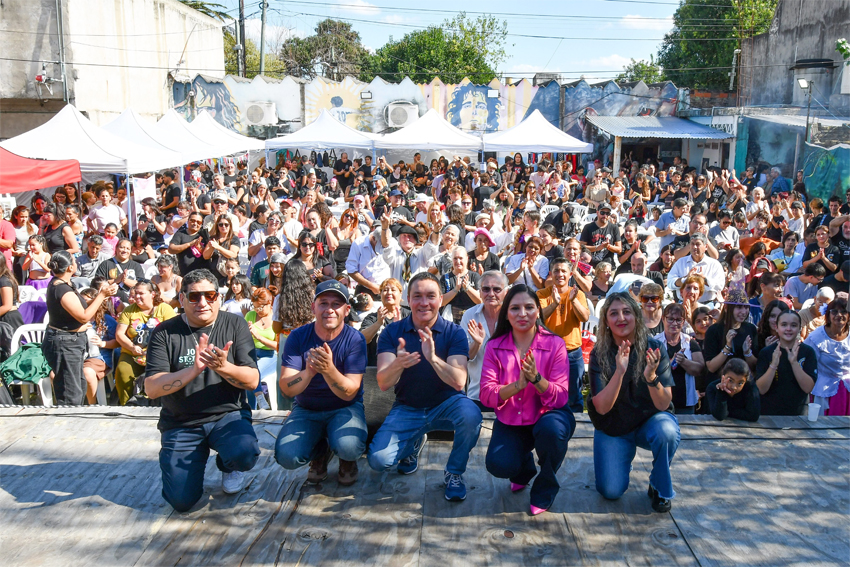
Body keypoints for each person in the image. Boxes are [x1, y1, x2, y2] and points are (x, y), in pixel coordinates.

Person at [144, 269, 261, 512]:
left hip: (227, 414)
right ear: (182, 299)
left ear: (219, 297)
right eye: (194, 296)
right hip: (181, 422)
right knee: (181, 502)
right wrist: (193, 370)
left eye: (210, 295)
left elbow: (252, 381)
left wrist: (223, 367)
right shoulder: (164, 332)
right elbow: (152, 389)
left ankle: (228, 465)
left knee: (244, 453)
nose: (203, 302)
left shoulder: (235, 324)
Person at [368, 272, 482, 502]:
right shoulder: (392, 332)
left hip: (447, 404)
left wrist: (433, 358)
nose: (424, 303)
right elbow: (383, 383)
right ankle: (414, 443)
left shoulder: (454, 332)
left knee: (472, 415)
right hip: (408, 407)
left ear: (440, 299)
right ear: (408, 299)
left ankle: (454, 472)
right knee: (379, 460)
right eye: (417, 296)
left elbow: (459, 381)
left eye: (430, 296)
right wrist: (399, 364)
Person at [479, 284, 575, 516]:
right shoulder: (494, 346)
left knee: (552, 432)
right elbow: (486, 395)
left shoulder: (555, 344)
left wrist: (537, 380)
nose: (522, 314)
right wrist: (517, 386)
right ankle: (524, 470)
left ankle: (545, 487)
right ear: (506, 313)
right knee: (499, 465)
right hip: (512, 420)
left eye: (529, 307)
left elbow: (561, 397)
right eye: (515, 308)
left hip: (550, 415)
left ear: (538, 311)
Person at [586, 293, 679, 513]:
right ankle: (621, 458)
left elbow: (664, 404)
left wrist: (651, 378)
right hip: (614, 426)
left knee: (667, 431)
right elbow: (602, 407)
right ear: (606, 321)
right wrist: (619, 371)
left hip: (649, 422)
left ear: (636, 316)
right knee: (610, 491)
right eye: (614, 313)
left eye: (627, 312)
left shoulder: (654, 348)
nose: (621, 318)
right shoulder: (599, 353)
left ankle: (658, 484)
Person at [276, 280, 367, 485]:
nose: (329, 309)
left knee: (349, 447)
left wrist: (328, 370)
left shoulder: (355, 339)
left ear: (347, 310)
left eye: (336, 304)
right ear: (313, 307)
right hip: (306, 408)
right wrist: (308, 373)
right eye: (323, 303)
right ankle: (319, 451)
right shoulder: (297, 336)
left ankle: (346, 459)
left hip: (345, 407)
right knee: (287, 456)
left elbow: (350, 392)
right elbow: (286, 388)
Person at [43, 251, 118, 405]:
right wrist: (101, 295)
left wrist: (103, 295)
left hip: (71, 343)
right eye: (74, 260)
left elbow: (78, 307)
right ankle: (69, 418)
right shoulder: (61, 289)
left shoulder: (65, 284)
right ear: (70, 267)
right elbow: (83, 316)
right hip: (65, 343)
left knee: (78, 386)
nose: (77, 262)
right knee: (70, 392)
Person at [114, 282, 177, 405]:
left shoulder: (165, 309)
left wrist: (155, 350)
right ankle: (127, 405)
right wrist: (132, 347)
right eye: (135, 293)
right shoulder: (129, 310)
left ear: (152, 294)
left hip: (159, 353)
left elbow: (173, 333)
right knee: (123, 372)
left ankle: (156, 404)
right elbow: (119, 334)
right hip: (133, 353)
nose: (136, 297)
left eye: (141, 293)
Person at [461, 271, 508, 411]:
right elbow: (464, 358)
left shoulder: (512, 316)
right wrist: (477, 343)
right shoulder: (469, 315)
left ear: (506, 292)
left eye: (497, 289)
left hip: (509, 395)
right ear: (480, 292)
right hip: (478, 394)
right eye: (486, 289)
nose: (491, 294)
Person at [755, 310, 817, 416]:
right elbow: (761, 389)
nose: (788, 329)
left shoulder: (808, 352)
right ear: (776, 327)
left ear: (799, 328)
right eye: (784, 325)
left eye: (793, 325)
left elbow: (808, 388)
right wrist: (773, 365)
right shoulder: (767, 352)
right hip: (769, 413)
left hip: (798, 414)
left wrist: (794, 363)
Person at [654, 303, 705, 414]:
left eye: (678, 320)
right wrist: (668, 364)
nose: (674, 323)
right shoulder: (655, 342)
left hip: (686, 403)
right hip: (661, 401)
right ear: (663, 319)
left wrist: (683, 361)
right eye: (670, 319)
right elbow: (649, 371)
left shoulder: (690, 342)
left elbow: (699, 369)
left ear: (683, 321)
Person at [804, 295, 850, 416]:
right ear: (828, 315)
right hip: (824, 390)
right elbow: (805, 359)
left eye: (843, 311)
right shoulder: (816, 337)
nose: (839, 315)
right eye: (834, 311)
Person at [703, 290, 759, 385]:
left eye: (746, 307)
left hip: (743, 385)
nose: (744, 311)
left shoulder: (750, 329)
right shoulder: (713, 330)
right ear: (726, 307)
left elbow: (755, 366)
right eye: (739, 307)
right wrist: (727, 347)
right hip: (719, 384)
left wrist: (747, 353)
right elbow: (711, 367)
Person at [360, 278, 410, 366]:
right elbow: (361, 339)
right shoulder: (372, 317)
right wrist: (378, 323)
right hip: (377, 367)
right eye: (385, 290)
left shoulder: (409, 316)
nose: (389, 293)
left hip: (405, 365)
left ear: (401, 294)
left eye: (393, 290)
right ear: (380, 294)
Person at [666, 234, 725, 303]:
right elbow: (670, 283)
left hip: (707, 305)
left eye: (698, 244)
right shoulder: (681, 262)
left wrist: (704, 280)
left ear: (706, 247)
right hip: (684, 303)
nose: (694, 247)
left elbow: (720, 286)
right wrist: (686, 279)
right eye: (692, 244)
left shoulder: (714, 264)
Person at [245, 287, 278, 410]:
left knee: (252, 373)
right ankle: (255, 403)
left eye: (260, 307)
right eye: (254, 307)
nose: (257, 310)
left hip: (270, 354)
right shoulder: (250, 315)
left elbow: (277, 346)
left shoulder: (276, 318)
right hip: (251, 352)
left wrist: (258, 336)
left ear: (269, 303)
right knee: (247, 372)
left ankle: (256, 403)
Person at [94, 239, 146, 304]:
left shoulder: (136, 265)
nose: (125, 250)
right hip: (110, 302)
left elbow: (141, 285)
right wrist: (116, 280)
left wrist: (125, 280)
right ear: (116, 248)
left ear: (131, 251)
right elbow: (97, 284)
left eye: (128, 248)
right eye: (122, 247)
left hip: (131, 302)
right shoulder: (105, 264)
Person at [440, 247, 481, 324]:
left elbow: (480, 301)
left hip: (471, 320)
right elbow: (440, 302)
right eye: (455, 258)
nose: (458, 261)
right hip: (451, 321)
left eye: (461, 258)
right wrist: (455, 290)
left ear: (467, 259)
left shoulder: (474, 276)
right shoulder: (445, 278)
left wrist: (468, 288)